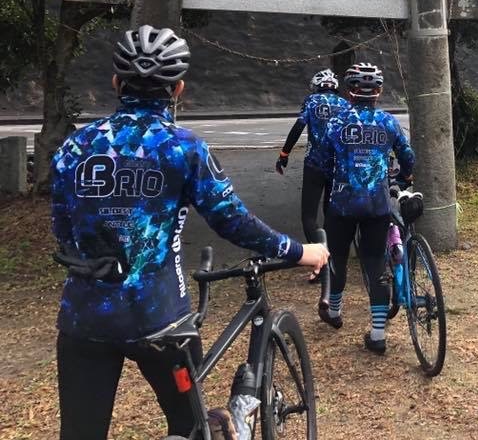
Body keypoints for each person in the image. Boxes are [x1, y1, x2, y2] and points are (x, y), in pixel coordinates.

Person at [50, 25, 329, 440]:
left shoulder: (73, 147)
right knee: (190, 426)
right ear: (178, 89)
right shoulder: (183, 147)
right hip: (161, 321)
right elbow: (231, 220)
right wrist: (296, 251)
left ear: (115, 83)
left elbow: (62, 227)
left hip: (83, 317)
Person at [317, 62, 415, 354]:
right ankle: (377, 334)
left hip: (342, 203)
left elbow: (322, 161)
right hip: (377, 204)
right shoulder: (388, 122)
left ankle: (334, 312)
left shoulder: (336, 122)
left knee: (337, 258)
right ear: (379, 91)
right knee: (375, 264)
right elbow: (407, 156)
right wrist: (405, 177)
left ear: (349, 91)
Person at [275, 69, 351, 243]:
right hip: (338, 166)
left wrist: (284, 154)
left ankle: (318, 253)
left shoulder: (312, 101)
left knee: (309, 215)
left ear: (317, 86)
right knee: (330, 211)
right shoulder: (345, 104)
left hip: (314, 164)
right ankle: (331, 252)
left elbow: (298, 127)